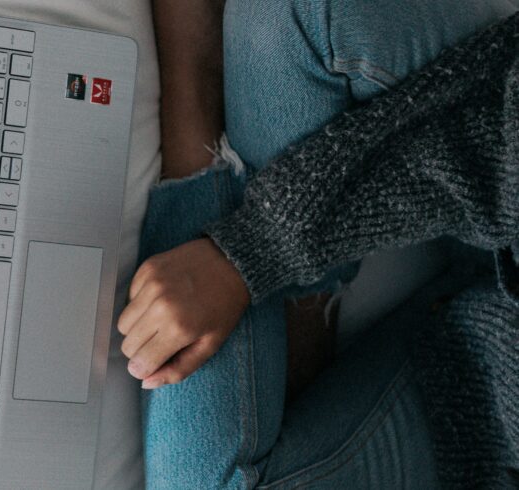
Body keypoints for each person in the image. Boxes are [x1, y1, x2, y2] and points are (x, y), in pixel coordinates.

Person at [126, 1, 519, 487]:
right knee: (290, 14)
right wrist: (261, 248)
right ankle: (303, 297)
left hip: (489, 391)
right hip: (501, 156)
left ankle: (195, 139)